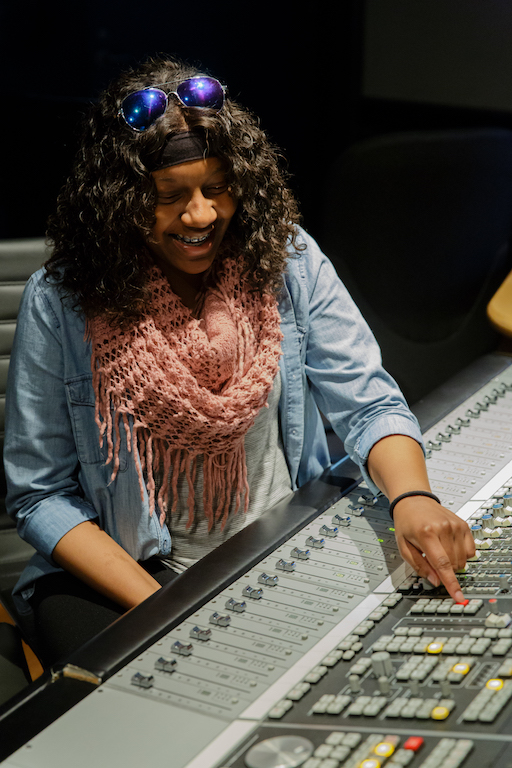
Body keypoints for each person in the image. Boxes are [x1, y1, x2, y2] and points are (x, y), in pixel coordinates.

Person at [4, 55, 474, 667]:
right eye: (168, 196)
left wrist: (414, 498)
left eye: (217, 186)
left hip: (275, 544)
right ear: (119, 201)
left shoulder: (288, 257)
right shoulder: (63, 300)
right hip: (136, 574)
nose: (201, 215)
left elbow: (370, 403)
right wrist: (167, 609)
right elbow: (40, 497)